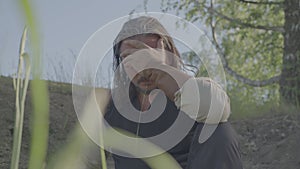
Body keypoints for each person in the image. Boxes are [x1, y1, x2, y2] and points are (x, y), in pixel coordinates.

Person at [102, 16, 243, 169]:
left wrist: (159, 67)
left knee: (218, 130)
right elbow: (84, 159)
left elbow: (217, 109)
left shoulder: (189, 93)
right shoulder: (112, 106)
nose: (138, 67)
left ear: (164, 49)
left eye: (144, 55)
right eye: (128, 58)